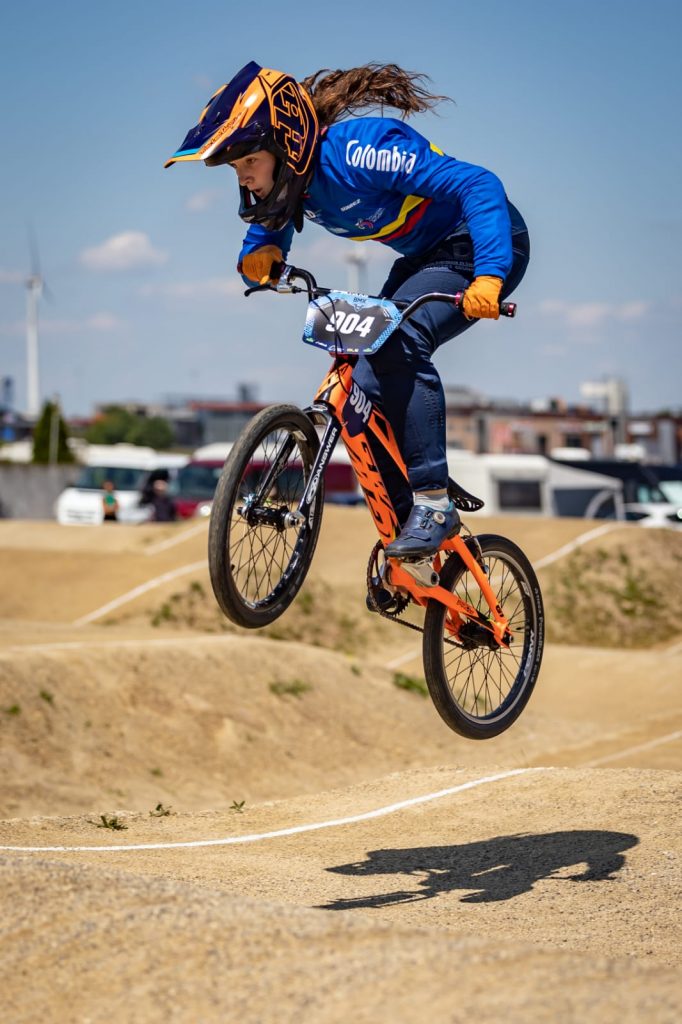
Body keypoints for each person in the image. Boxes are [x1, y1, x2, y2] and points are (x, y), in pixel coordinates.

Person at [165, 62, 530, 558]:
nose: (244, 176)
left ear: (287, 147)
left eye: (249, 160)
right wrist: (261, 254)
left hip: (480, 244)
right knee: (363, 385)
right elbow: (270, 229)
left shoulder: (360, 152)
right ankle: (406, 535)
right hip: (423, 257)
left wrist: (489, 274)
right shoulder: (294, 181)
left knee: (399, 343)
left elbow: (479, 185)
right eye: (235, 168)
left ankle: (433, 502)